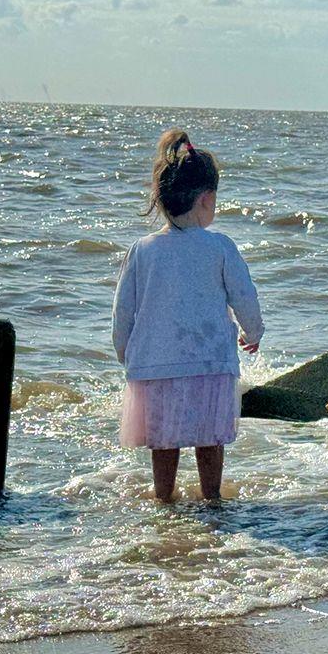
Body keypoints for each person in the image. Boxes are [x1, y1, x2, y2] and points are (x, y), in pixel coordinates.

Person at [112, 128, 263, 501]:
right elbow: (244, 296)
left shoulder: (142, 250)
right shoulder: (220, 246)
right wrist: (253, 332)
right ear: (207, 198)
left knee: (163, 441)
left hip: (156, 365)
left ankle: (164, 500)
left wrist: (126, 354)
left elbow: (123, 312)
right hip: (210, 363)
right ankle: (212, 500)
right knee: (210, 438)